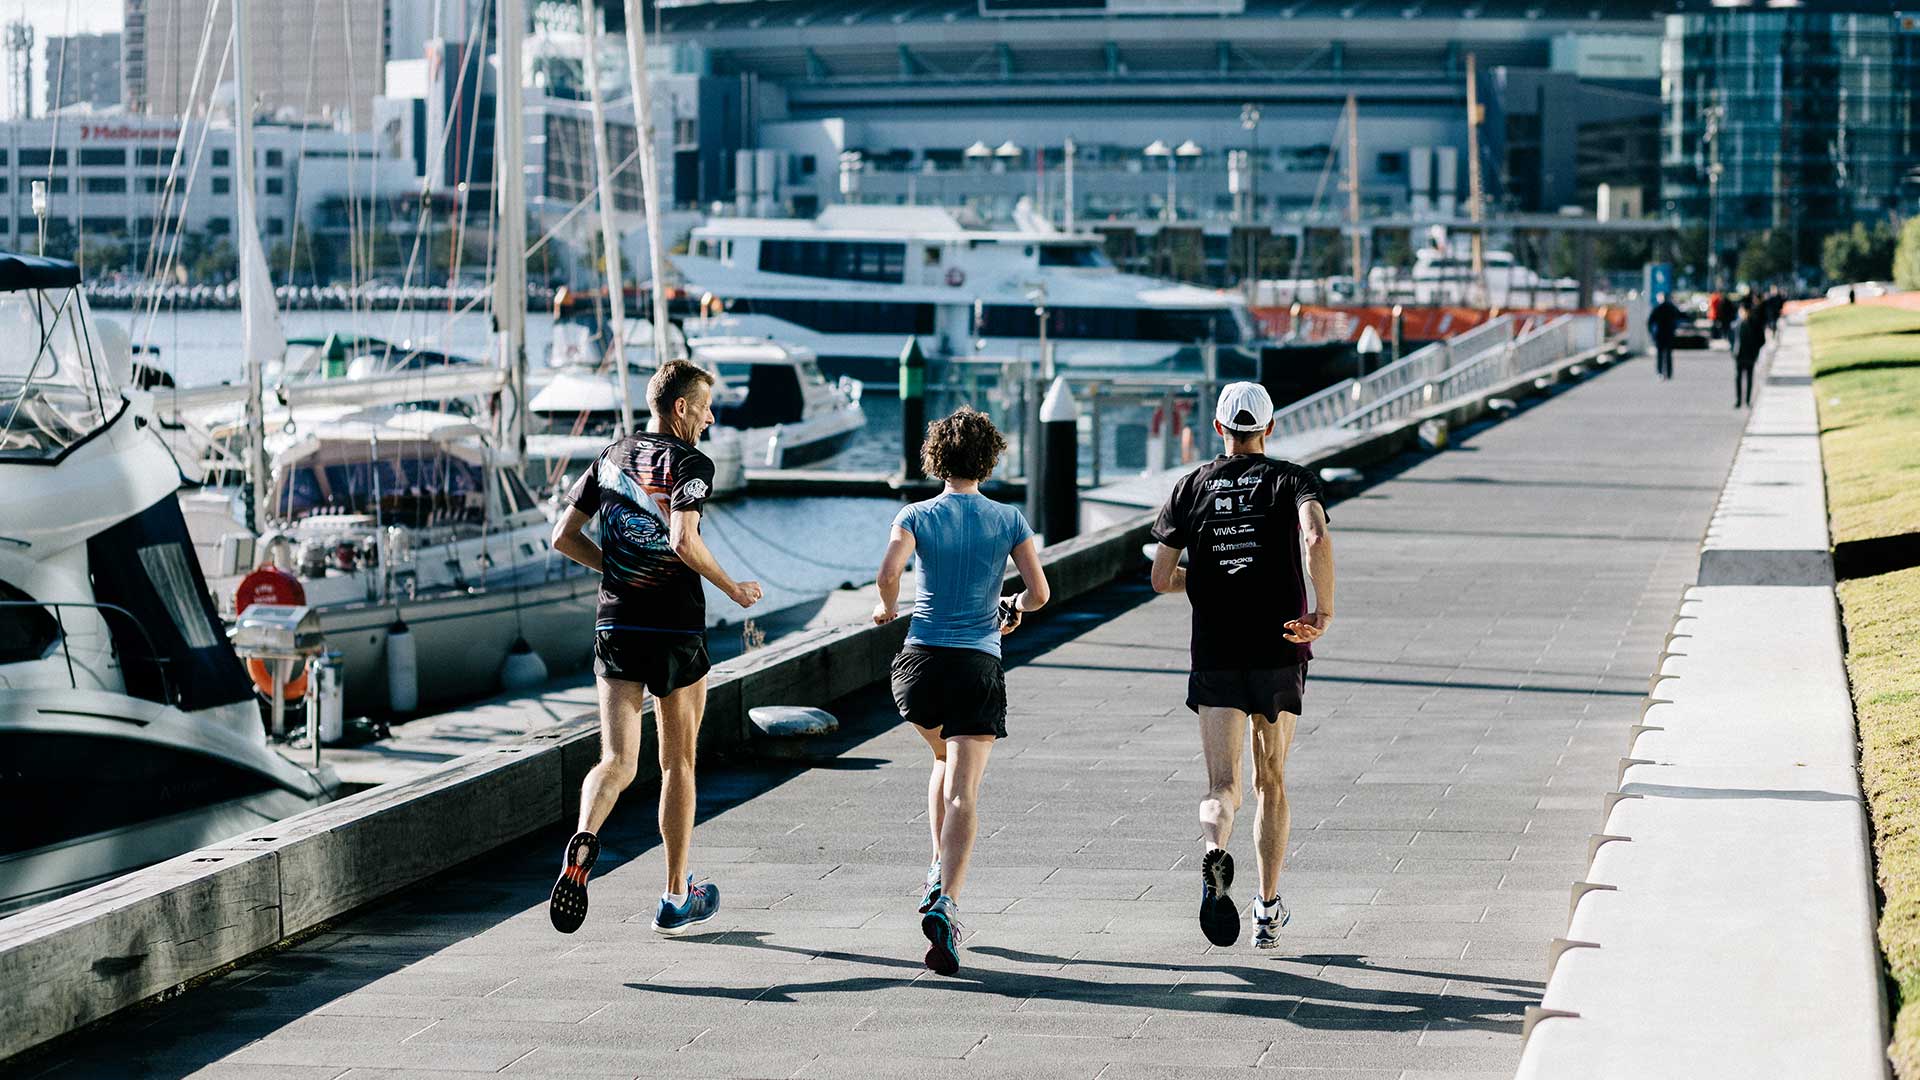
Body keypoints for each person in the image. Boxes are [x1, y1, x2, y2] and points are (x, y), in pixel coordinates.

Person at [547, 360, 763, 936]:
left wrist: (616, 570)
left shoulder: (610, 456)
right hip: (674, 629)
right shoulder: (690, 463)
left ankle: (584, 838)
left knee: (616, 761)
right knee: (677, 763)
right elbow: (683, 540)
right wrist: (733, 587)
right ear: (681, 408)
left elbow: (563, 537)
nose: (710, 419)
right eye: (705, 408)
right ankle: (674, 896)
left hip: (616, 625)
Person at [1149, 382, 1335, 950]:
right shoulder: (1292, 480)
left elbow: (1160, 578)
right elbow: (1315, 536)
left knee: (1222, 785)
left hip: (1217, 651)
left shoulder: (1190, 486)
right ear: (1269, 428)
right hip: (1279, 647)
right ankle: (1267, 909)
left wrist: (1206, 580)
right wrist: (1322, 609)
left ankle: (1214, 851)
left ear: (1218, 428)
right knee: (1270, 780)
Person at [874, 406, 1049, 976]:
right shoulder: (1008, 519)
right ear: (989, 459)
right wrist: (1010, 605)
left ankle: (934, 866)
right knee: (963, 793)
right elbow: (1040, 594)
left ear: (936, 459)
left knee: (941, 757)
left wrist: (886, 606)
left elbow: (890, 570)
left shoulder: (916, 514)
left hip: (919, 667)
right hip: (976, 665)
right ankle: (946, 902)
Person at [1732, 293, 1766, 408]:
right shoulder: (1737, 324)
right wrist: (1733, 349)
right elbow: (1732, 338)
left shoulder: (1755, 323)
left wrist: (1755, 350)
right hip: (1739, 354)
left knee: (1749, 378)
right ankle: (1738, 400)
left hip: (1750, 355)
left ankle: (1747, 400)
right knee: (1738, 378)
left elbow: (1761, 339)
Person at [1647, 292, 1684, 381]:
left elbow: (1650, 322)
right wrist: (1675, 327)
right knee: (1668, 354)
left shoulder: (1657, 308)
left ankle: (1660, 373)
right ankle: (1669, 374)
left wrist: (1651, 332)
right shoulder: (1672, 308)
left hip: (1660, 334)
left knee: (1660, 355)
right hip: (1669, 334)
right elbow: (1681, 317)